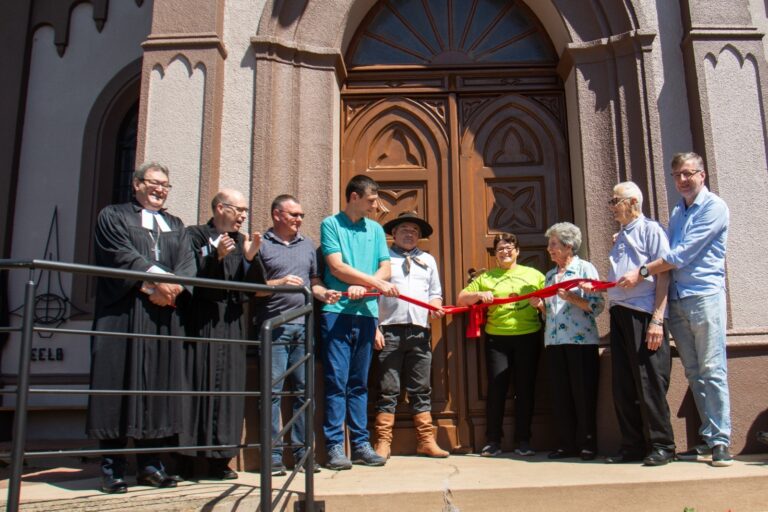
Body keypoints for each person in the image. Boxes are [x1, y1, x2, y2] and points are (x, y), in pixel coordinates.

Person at [86, 161, 196, 493]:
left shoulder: (175, 223)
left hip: (163, 317)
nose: (160, 189)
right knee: (118, 386)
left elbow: (187, 262)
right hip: (124, 314)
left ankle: (152, 466)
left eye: (165, 184)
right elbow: (118, 255)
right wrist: (154, 285)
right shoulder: (113, 216)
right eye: (153, 182)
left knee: (158, 388)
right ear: (136, 185)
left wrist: (174, 288)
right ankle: (113, 469)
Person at [619, 152, 732, 467]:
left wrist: (642, 272)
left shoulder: (714, 208)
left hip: (705, 296)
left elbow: (680, 255)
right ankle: (708, 439)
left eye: (688, 174)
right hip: (679, 299)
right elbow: (664, 251)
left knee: (712, 369)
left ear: (702, 174)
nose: (683, 180)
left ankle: (721, 441)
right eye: (677, 175)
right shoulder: (678, 213)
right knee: (695, 372)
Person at [182, 189, 264, 480]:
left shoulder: (242, 242)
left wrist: (251, 259)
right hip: (202, 321)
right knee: (196, 386)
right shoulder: (194, 236)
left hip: (231, 323)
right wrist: (216, 258)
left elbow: (253, 289)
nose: (243, 215)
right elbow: (191, 280)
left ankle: (220, 459)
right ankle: (188, 461)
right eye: (238, 209)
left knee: (227, 390)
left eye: (245, 210)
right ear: (219, 208)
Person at [256, 194, 340, 476]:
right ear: (277, 215)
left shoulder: (307, 246)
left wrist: (323, 293)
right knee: (273, 393)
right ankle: (274, 457)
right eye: (294, 215)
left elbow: (313, 282)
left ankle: (304, 454)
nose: (300, 220)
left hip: (304, 327)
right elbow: (251, 289)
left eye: (301, 215)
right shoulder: (262, 245)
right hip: (274, 326)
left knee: (305, 393)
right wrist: (278, 283)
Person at [320, 174, 398, 470]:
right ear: (353, 197)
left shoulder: (376, 229)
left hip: (366, 314)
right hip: (337, 313)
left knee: (359, 383)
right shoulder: (331, 224)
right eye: (370, 200)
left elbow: (386, 267)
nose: (375, 205)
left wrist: (366, 287)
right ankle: (335, 447)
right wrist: (369, 284)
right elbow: (336, 267)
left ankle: (362, 444)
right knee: (336, 382)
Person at [600, 182, 676, 466]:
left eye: (615, 200)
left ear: (632, 201)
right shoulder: (620, 236)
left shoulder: (651, 230)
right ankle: (631, 445)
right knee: (623, 384)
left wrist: (657, 319)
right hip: (619, 312)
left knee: (649, 383)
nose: (611, 206)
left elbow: (665, 272)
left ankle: (662, 445)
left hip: (642, 314)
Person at [457, 233, 545, 457]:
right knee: (497, 389)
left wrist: (541, 304)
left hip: (529, 335)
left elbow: (550, 304)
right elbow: (461, 299)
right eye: (500, 250)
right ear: (494, 255)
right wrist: (478, 294)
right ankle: (493, 440)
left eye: (509, 248)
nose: (505, 252)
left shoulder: (534, 275)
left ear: (517, 251)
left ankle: (523, 440)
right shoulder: (487, 277)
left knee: (525, 389)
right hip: (497, 338)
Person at [373, 212, 449, 459]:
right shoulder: (383, 260)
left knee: (421, 388)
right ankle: (383, 443)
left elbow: (435, 293)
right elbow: (372, 294)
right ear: (394, 233)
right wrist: (375, 327)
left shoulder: (428, 260)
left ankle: (426, 440)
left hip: (419, 331)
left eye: (414, 231)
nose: (409, 234)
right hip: (389, 331)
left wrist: (435, 305)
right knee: (388, 388)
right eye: (404, 229)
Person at [529, 223, 603, 461]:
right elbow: (550, 312)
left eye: (553, 244)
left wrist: (572, 297)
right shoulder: (550, 276)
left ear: (568, 246)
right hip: (554, 341)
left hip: (580, 342)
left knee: (583, 394)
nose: (549, 249)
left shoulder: (584, 269)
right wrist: (540, 306)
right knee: (560, 394)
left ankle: (588, 444)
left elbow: (598, 306)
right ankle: (566, 444)